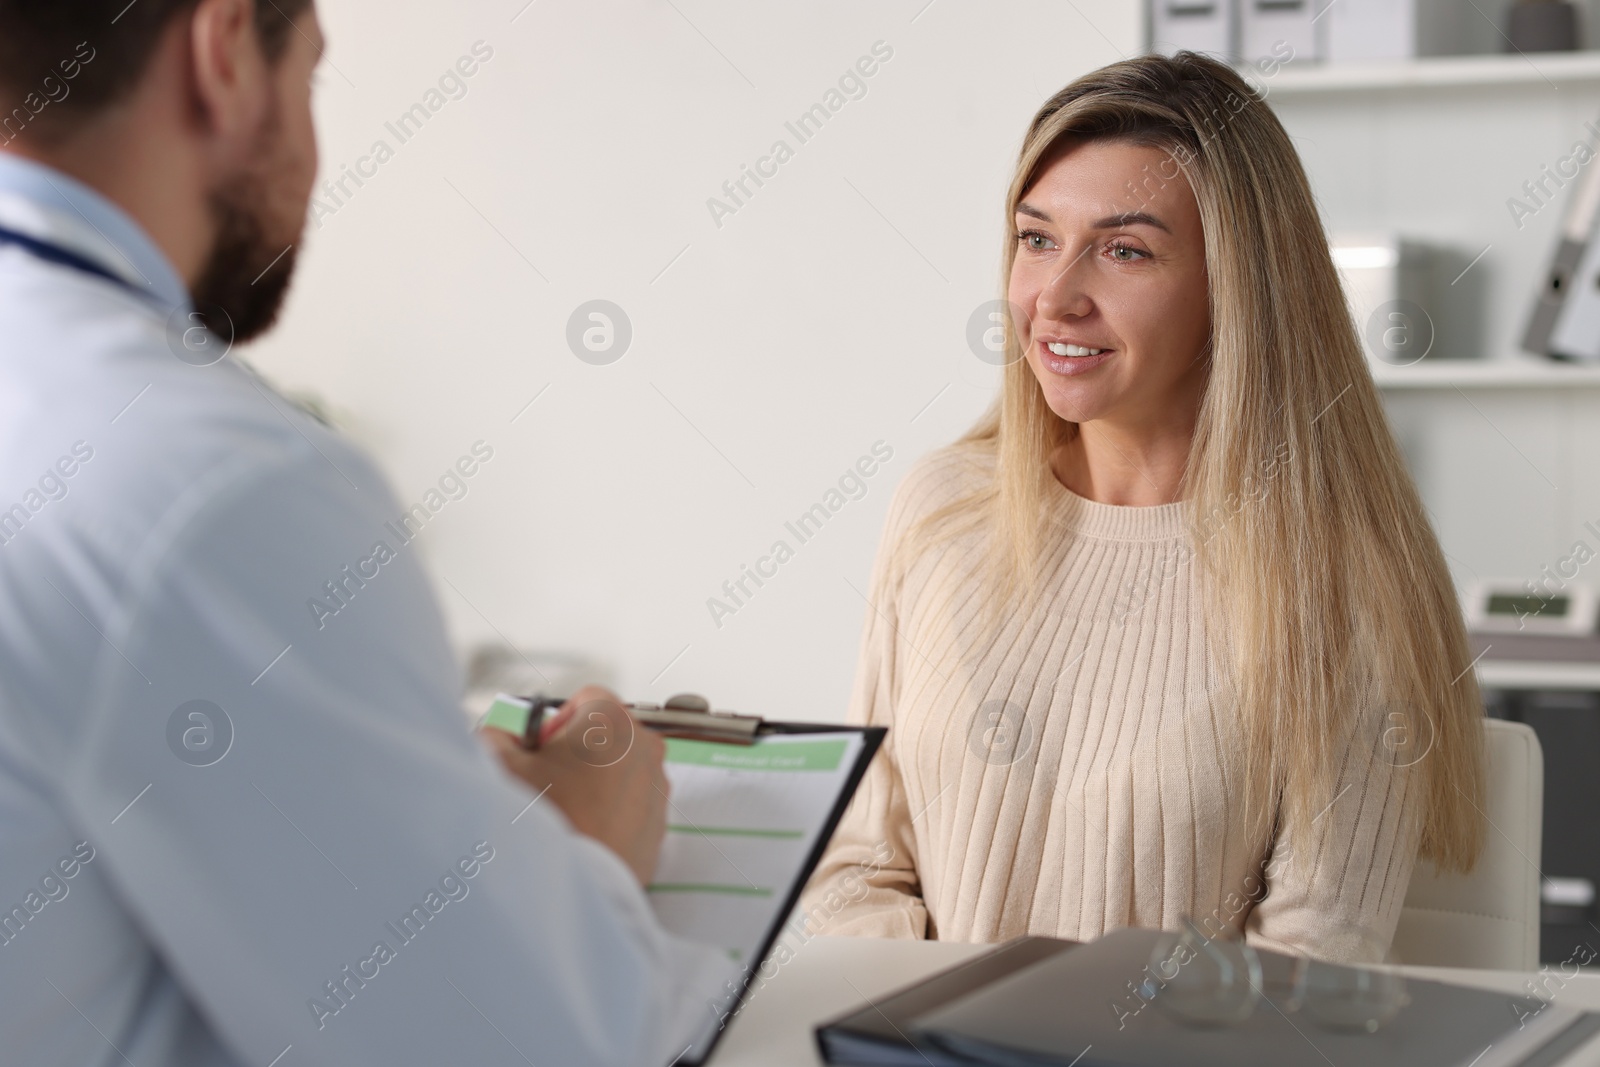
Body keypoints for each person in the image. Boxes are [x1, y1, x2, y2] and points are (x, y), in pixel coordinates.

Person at [0, 2, 731, 1064]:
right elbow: (524, 1044)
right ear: (225, 53)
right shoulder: (214, 481)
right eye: (310, 77)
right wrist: (576, 847)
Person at [799, 50, 1487, 965]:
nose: (1055, 297)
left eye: (1124, 250)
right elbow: (854, 865)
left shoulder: (1345, 574)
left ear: (1236, 292)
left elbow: (1308, 972)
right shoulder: (941, 509)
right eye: (1036, 238)